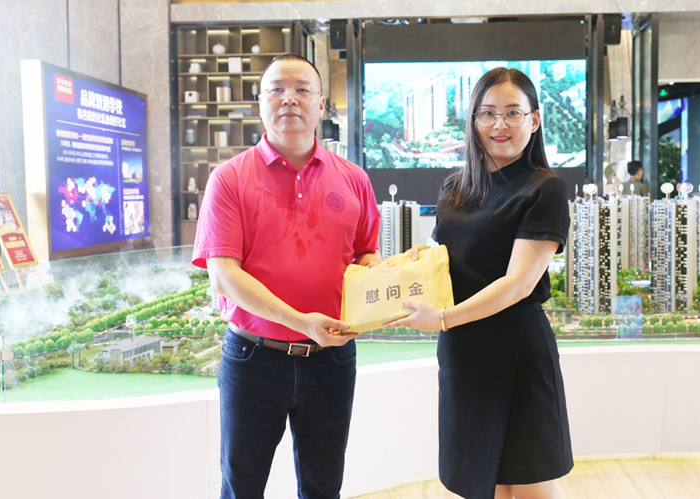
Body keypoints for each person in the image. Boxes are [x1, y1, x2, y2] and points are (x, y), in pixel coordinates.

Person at [192, 54, 381, 499]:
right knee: (241, 486)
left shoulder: (354, 179)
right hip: (253, 358)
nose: (289, 99)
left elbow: (366, 252)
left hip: (333, 358)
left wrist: (379, 277)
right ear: (260, 103)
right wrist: (301, 322)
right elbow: (223, 276)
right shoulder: (229, 179)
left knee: (323, 487)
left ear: (321, 105)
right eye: (276, 89)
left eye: (301, 90)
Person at [384, 68, 573, 499]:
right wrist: (420, 263)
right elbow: (449, 260)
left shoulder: (544, 189)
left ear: (535, 120)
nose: (499, 125)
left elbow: (518, 283)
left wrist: (444, 319)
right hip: (463, 353)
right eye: (487, 113)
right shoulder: (455, 187)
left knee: (529, 483)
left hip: (517, 350)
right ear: (473, 120)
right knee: (477, 480)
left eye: (512, 113)